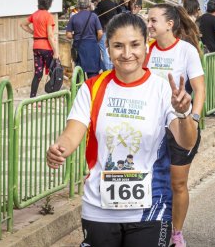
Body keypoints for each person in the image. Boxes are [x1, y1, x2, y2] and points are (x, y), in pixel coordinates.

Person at [46, 13, 198, 247]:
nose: (127, 54)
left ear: (146, 45)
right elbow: (72, 133)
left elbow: (187, 142)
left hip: (151, 208)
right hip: (99, 208)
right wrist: (59, 150)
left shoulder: (161, 89)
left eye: (135, 45)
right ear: (107, 48)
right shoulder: (92, 88)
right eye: (118, 46)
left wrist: (183, 113)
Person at [146, 3, 205, 247]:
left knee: (177, 182)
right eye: (147, 21)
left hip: (181, 126)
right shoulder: (147, 50)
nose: (148, 25)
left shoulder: (186, 51)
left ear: (169, 24)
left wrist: (194, 118)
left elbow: (199, 88)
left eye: (153, 21)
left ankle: (176, 233)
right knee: (152, 180)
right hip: (152, 127)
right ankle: (154, 226)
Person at [20, 0, 59, 98]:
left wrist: (33, 32)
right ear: (49, 3)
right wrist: (55, 51)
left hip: (36, 47)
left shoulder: (35, 14)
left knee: (38, 74)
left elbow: (22, 24)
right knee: (53, 71)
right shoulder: (48, 16)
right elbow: (50, 35)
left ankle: (32, 98)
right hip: (46, 47)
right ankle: (55, 94)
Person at [66, 0, 104, 79]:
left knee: (79, 72)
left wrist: (76, 36)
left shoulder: (74, 17)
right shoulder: (93, 16)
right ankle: (93, 90)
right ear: (88, 4)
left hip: (79, 46)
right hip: (92, 46)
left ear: (78, 5)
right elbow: (100, 33)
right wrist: (95, 40)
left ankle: (79, 90)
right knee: (93, 74)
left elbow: (68, 35)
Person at [95, 0, 119, 70]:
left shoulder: (101, 4)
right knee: (111, 49)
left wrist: (93, 7)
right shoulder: (114, 4)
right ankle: (112, 68)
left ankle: (108, 70)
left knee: (105, 51)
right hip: (113, 29)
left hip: (104, 30)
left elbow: (94, 15)